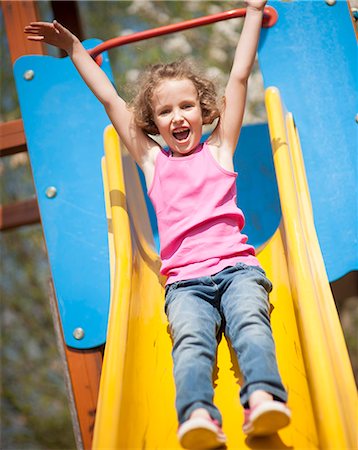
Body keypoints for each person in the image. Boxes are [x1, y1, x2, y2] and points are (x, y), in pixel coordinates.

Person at [25, 2, 291, 448]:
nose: (178, 116)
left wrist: (252, 11)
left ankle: (262, 396)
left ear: (205, 111)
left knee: (250, 323)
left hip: (239, 270)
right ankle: (197, 416)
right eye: (165, 111)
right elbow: (111, 98)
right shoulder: (152, 162)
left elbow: (240, 76)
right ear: (153, 124)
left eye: (187, 105)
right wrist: (74, 50)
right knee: (189, 341)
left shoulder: (220, 148)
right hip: (185, 283)